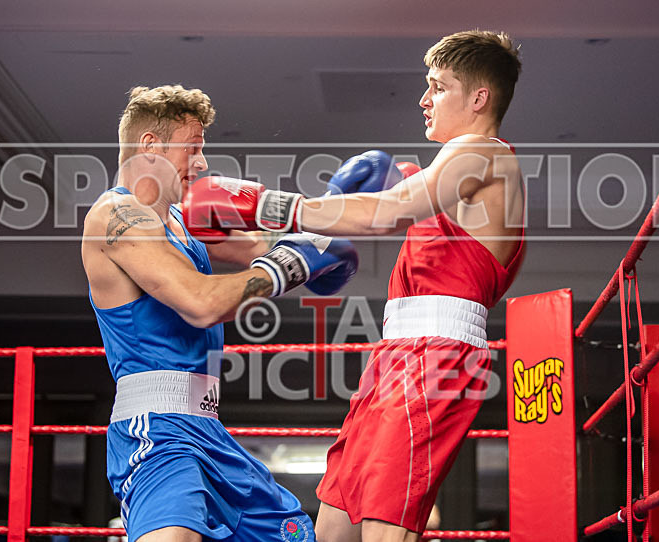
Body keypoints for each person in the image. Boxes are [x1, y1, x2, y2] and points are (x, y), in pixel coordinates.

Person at [184, 30, 525, 542]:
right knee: (334, 521)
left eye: (438, 86)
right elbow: (372, 208)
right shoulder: (449, 170)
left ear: (478, 98)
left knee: (387, 527)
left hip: (435, 357)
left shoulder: (483, 153)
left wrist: (263, 202)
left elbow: (386, 213)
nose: (424, 99)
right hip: (398, 355)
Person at [82, 84, 359, 542]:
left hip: (207, 427)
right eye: (192, 148)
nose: (202, 163)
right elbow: (202, 303)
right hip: (155, 431)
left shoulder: (180, 221)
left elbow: (264, 249)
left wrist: (329, 225)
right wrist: (291, 265)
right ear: (150, 146)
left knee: (292, 536)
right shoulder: (114, 215)